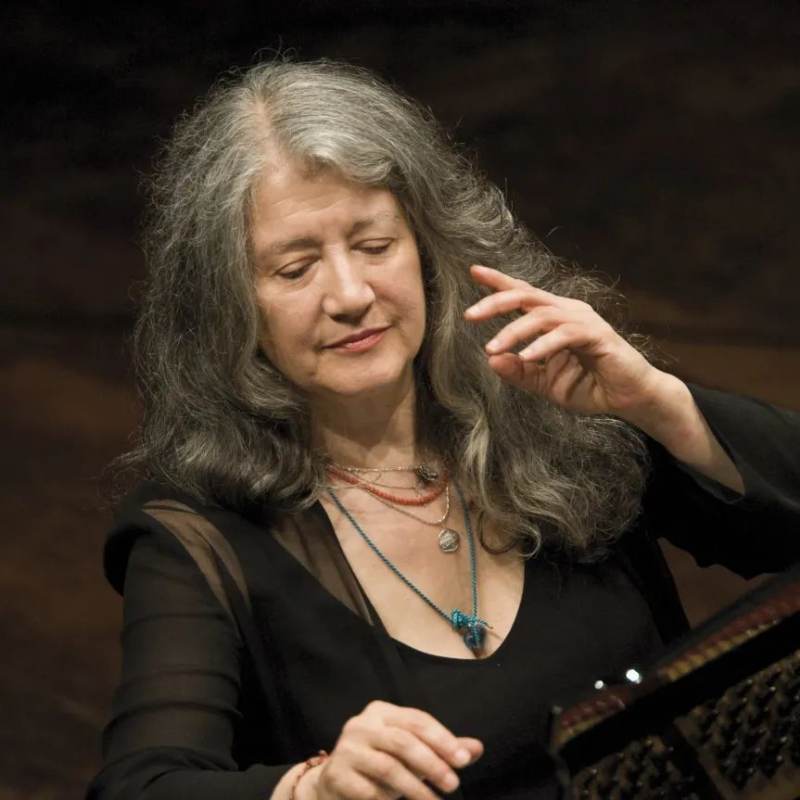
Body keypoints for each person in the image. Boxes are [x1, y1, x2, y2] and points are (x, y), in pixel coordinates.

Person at [87, 58, 800, 800]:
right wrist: (313, 790)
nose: (351, 295)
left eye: (374, 245)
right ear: (229, 306)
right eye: (295, 269)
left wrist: (656, 401)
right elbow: (141, 787)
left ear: (429, 252)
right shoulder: (199, 538)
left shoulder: (556, 413)